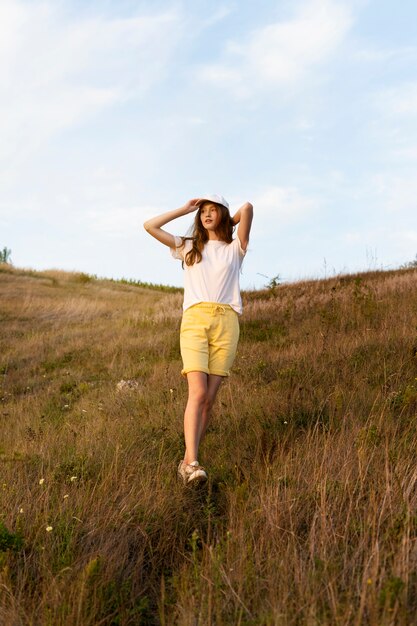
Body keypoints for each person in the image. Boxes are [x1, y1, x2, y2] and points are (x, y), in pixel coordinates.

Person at [143, 194, 253, 485]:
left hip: (227, 323)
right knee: (198, 394)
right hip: (195, 321)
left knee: (209, 400)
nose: (206, 214)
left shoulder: (235, 248)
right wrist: (184, 209)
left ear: (223, 214)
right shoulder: (189, 247)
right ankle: (192, 462)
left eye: (212, 210)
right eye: (203, 211)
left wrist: (227, 222)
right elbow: (149, 226)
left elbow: (248, 208)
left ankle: (187, 460)